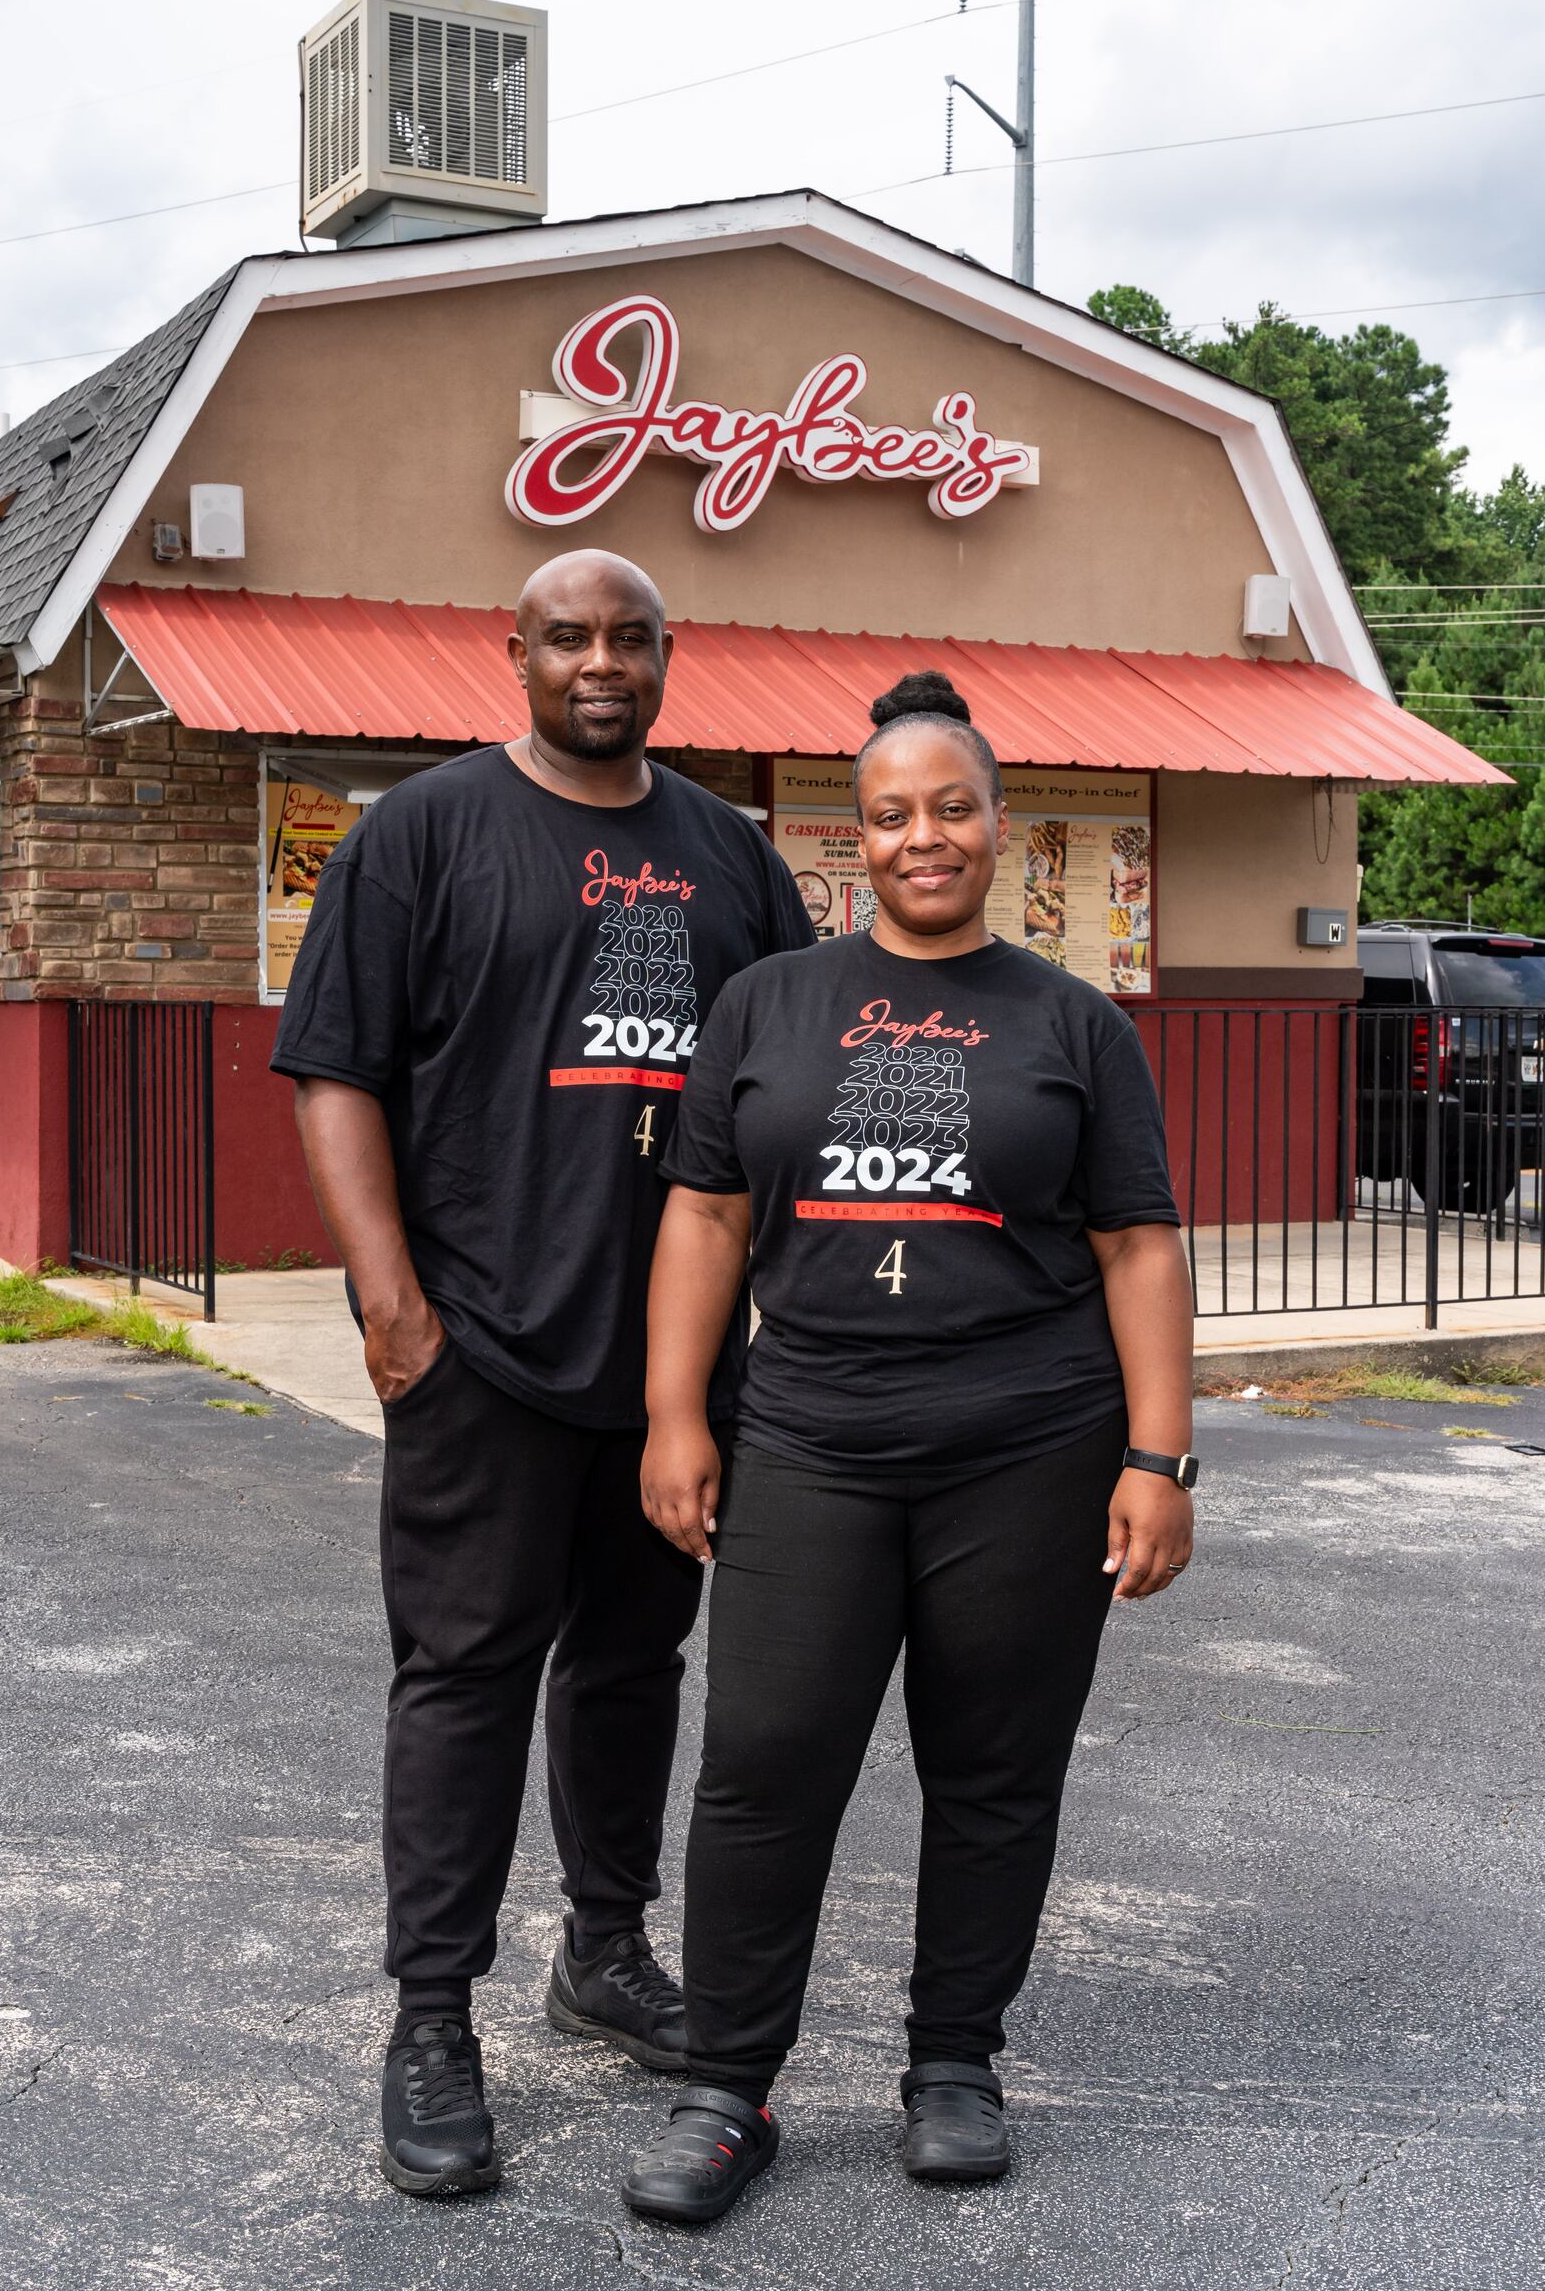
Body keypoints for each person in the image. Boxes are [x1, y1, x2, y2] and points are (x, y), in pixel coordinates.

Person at [270, 549, 814, 2199]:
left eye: (628, 638)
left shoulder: (732, 856)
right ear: (513, 655)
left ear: (667, 656)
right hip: (483, 1345)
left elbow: (789, 1080)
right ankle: (432, 2017)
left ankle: (607, 1946)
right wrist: (392, 1311)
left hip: (671, 1368)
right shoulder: (420, 834)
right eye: (567, 636)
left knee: (634, 1665)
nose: (600, 662)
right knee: (463, 1677)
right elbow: (335, 1072)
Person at [620, 672, 1196, 2224]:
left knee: (995, 1771)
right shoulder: (769, 1004)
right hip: (812, 1439)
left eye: (951, 808)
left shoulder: (1073, 1022)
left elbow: (1138, 1242)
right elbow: (708, 1213)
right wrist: (678, 1410)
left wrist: (1161, 1458)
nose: (921, 837)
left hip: (1029, 1448)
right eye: (889, 814)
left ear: (999, 827)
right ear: (850, 839)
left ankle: (954, 2065)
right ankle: (725, 2090)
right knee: (761, 1764)